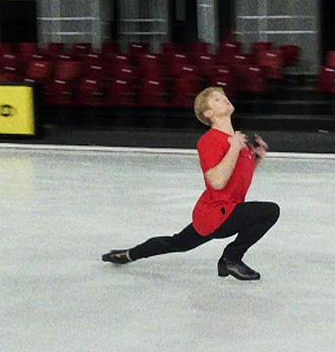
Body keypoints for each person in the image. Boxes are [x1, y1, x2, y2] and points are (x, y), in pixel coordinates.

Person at [101, 87, 279, 280]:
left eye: (223, 96)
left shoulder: (238, 141)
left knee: (177, 243)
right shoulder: (210, 140)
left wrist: (256, 158)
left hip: (226, 211)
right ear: (208, 113)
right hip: (215, 214)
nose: (224, 99)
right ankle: (231, 258)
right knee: (269, 211)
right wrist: (234, 148)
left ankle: (128, 254)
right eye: (217, 99)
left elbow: (239, 177)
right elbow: (217, 182)